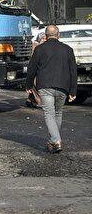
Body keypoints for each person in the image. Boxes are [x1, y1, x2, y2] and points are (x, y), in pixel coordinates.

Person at [25, 25, 77, 153]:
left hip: (45, 87)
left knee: (49, 113)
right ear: (58, 35)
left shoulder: (39, 49)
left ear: (45, 36)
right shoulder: (68, 50)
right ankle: (53, 141)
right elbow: (73, 72)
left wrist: (28, 85)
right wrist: (73, 91)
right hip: (63, 87)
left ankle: (56, 140)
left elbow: (32, 69)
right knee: (58, 113)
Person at [25, 32, 48, 108]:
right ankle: (40, 102)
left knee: (35, 85)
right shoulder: (36, 46)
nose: (44, 40)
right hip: (35, 69)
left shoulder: (46, 47)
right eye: (43, 38)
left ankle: (30, 100)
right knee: (35, 83)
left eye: (45, 38)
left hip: (42, 69)